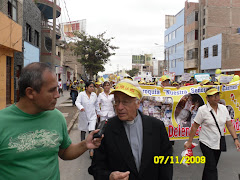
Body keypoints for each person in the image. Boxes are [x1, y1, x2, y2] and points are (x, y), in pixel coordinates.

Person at [0, 62, 102, 180]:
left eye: (57, 89)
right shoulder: (3, 122)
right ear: (30, 93)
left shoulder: (57, 117)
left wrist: (85, 144)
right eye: (52, 90)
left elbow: (64, 152)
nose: (57, 95)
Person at [89, 79, 173, 180]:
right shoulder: (107, 129)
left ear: (138, 103)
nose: (119, 107)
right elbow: (96, 168)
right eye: (117, 101)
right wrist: (109, 176)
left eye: (125, 102)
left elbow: (166, 163)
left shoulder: (156, 126)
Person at [184, 87, 240, 180]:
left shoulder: (223, 108)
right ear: (207, 98)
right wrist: (189, 142)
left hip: (218, 142)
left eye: (217, 95)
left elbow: (229, 125)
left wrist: (235, 139)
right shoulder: (202, 110)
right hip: (206, 142)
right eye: (213, 96)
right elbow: (195, 126)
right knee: (212, 167)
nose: (216, 97)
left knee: (210, 166)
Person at [75, 81, 100, 158]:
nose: (92, 88)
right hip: (84, 115)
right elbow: (77, 102)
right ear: (86, 87)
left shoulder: (94, 95)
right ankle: (82, 146)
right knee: (83, 131)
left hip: (92, 116)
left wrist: (98, 112)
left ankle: (91, 151)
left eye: (93, 87)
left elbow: (96, 104)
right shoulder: (81, 94)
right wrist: (81, 107)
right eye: (91, 87)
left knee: (91, 132)